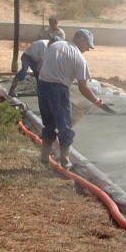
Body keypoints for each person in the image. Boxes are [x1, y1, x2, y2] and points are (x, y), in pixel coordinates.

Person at [36, 28, 114, 169]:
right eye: (88, 45)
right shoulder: (79, 58)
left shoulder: (54, 46)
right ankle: (65, 162)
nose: (88, 49)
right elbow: (83, 87)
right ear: (81, 40)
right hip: (59, 90)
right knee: (65, 125)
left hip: (42, 86)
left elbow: (40, 66)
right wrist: (97, 101)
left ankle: (44, 159)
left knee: (48, 123)